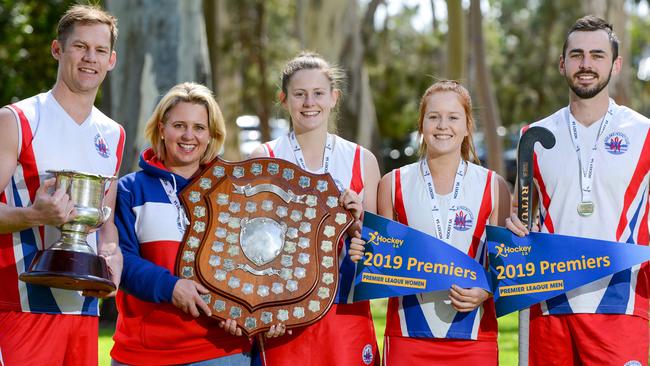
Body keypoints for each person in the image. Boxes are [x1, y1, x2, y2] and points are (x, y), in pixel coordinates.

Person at [506, 15, 650, 366]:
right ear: (563, 63)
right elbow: (518, 211)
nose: (586, 64)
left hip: (623, 303)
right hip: (547, 304)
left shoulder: (645, 133)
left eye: (597, 55)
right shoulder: (534, 135)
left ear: (615, 65)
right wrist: (513, 227)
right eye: (577, 55)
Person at [349, 80, 510, 365]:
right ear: (421, 123)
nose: (442, 125)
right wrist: (362, 249)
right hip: (407, 335)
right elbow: (379, 260)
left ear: (467, 124)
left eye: (453, 117)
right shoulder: (393, 183)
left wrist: (485, 290)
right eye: (433, 116)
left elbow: (502, 264)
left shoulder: (494, 186)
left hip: (475, 337)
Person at [0, 4, 123, 365]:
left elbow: (107, 221)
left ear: (111, 60)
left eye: (100, 50)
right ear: (58, 49)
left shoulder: (113, 134)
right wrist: (31, 215)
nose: (90, 59)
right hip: (20, 306)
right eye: (80, 47)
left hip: (83, 309)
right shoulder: (17, 119)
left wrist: (112, 257)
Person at [249, 52, 381, 365]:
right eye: (299, 94)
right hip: (282, 312)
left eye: (318, 93)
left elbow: (377, 246)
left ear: (334, 98)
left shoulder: (362, 160)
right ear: (284, 99)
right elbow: (250, 242)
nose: (310, 102)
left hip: (345, 308)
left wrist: (360, 221)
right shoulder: (263, 156)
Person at [110, 82, 254, 366]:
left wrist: (245, 313)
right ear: (162, 129)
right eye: (179, 125)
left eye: (199, 128)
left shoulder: (234, 192)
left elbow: (252, 263)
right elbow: (120, 259)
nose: (189, 136)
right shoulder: (129, 189)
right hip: (144, 353)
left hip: (220, 351)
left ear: (212, 134)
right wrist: (171, 287)